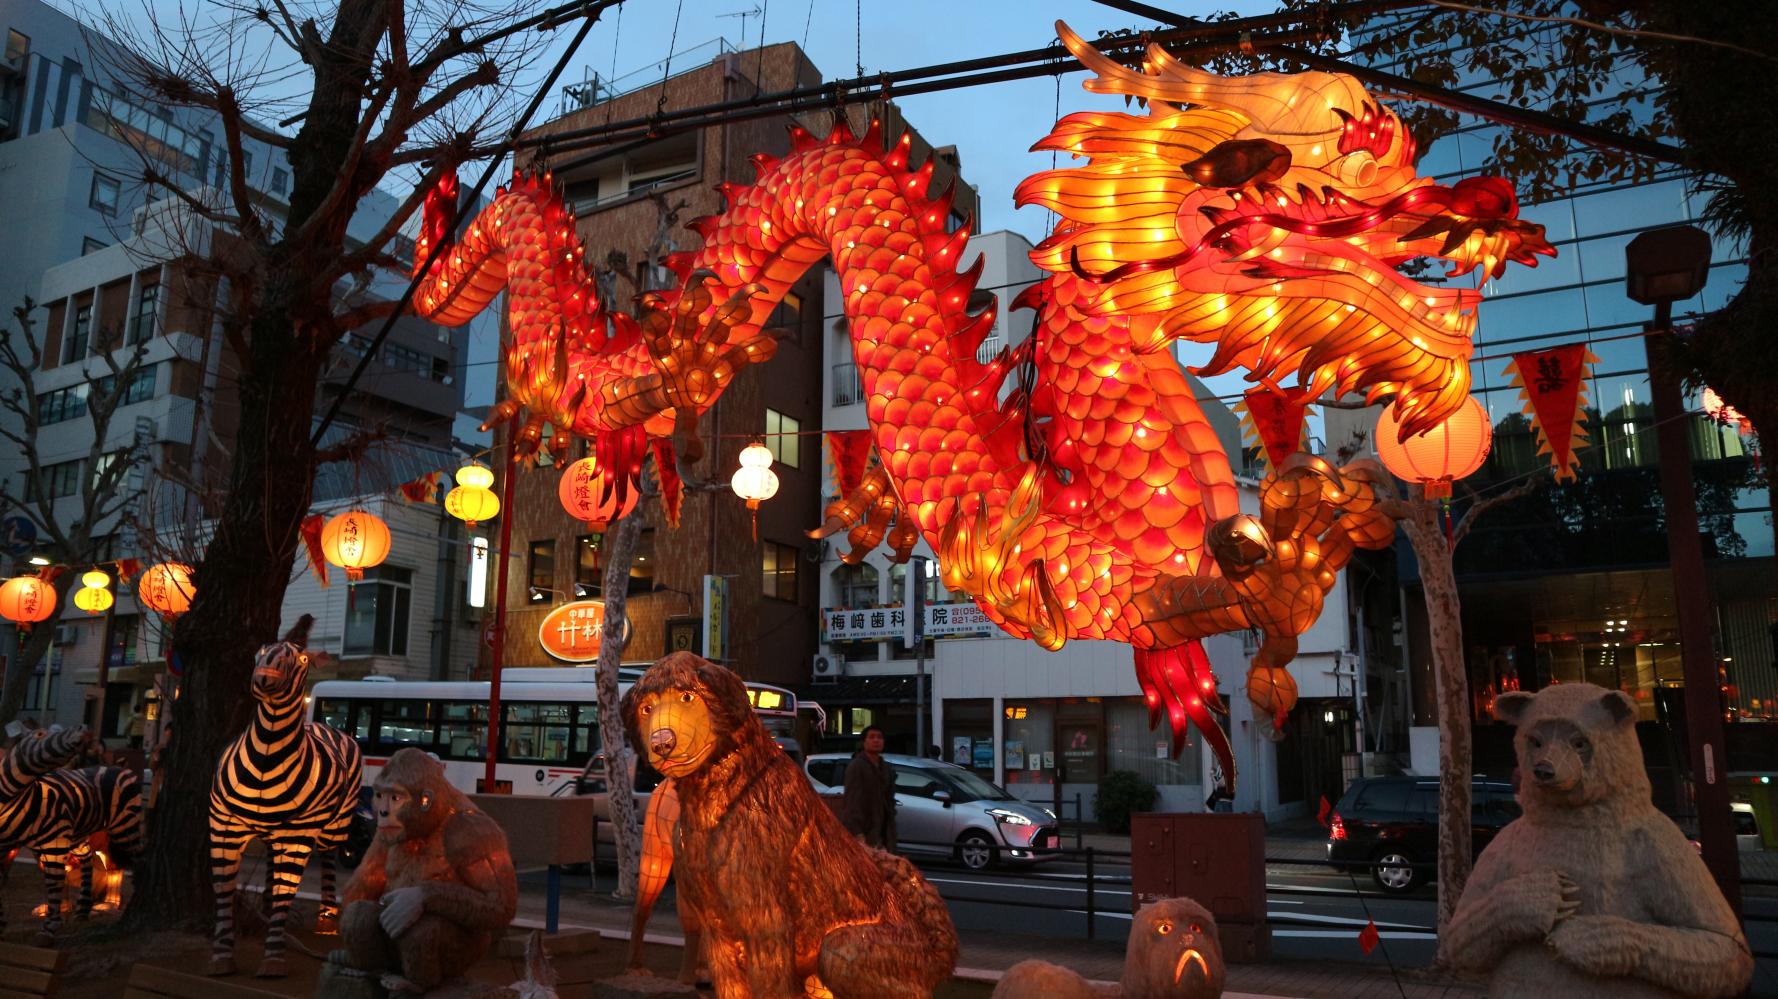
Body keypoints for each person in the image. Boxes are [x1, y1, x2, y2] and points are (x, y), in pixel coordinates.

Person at [840, 726, 897, 849]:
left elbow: (889, 801)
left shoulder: (886, 768)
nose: (876, 740)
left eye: (879, 737)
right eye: (871, 737)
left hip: (883, 833)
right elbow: (852, 802)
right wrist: (857, 833)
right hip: (864, 833)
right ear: (864, 742)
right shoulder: (857, 766)